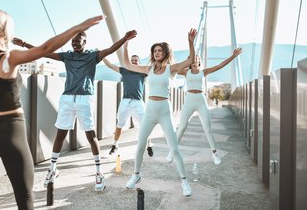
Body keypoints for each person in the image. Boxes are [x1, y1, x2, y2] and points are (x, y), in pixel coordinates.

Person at [0, 10, 103, 209]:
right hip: (11, 132)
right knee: (24, 198)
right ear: (6, 31)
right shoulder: (8, 58)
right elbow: (46, 47)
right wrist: (79, 27)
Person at [14, 29, 137, 192]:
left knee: (90, 135)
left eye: (77, 41)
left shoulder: (93, 56)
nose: (73, 43)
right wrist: (24, 44)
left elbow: (110, 49)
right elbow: (45, 53)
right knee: (60, 134)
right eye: (72, 41)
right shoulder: (67, 56)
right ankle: (52, 169)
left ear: (84, 42)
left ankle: (99, 173)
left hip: (84, 99)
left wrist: (124, 38)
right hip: (67, 99)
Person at [123, 29, 197, 197]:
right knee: (140, 145)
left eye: (160, 51)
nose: (157, 53)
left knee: (175, 148)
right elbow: (128, 65)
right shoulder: (148, 69)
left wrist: (191, 42)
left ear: (165, 53)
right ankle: (136, 175)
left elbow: (191, 60)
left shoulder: (171, 69)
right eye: (154, 51)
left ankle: (184, 182)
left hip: (164, 111)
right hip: (149, 110)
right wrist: (126, 44)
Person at [165, 48, 243, 165]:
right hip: (189, 100)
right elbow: (171, 67)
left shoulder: (204, 72)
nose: (195, 59)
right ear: (189, 61)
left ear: (199, 60)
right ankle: (172, 151)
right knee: (182, 127)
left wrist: (233, 56)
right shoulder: (185, 72)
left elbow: (220, 65)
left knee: (207, 128)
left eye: (196, 58)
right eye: (192, 58)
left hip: (201, 100)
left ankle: (214, 154)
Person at [102, 55, 153, 157]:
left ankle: (149, 145)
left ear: (139, 62)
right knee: (119, 125)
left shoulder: (143, 72)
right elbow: (110, 65)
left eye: (136, 61)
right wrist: (102, 55)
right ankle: (115, 145)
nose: (134, 62)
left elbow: (155, 67)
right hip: (125, 102)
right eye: (132, 60)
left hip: (138, 102)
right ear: (130, 62)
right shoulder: (124, 70)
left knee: (145, 125)